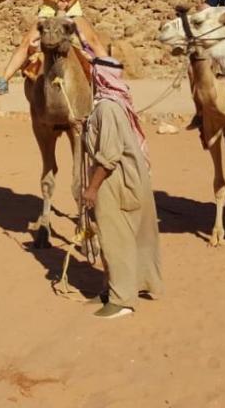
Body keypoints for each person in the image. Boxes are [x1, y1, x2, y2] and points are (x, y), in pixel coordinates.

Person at [79, 57, 163, 318]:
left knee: (115, 235)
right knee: (128, 234)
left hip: (114, 180)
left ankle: (122, 299)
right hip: (125, 176)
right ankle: (123, 285)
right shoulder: (111, 105)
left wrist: (92, 189)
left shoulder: (108, 108)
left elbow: (109, 154)